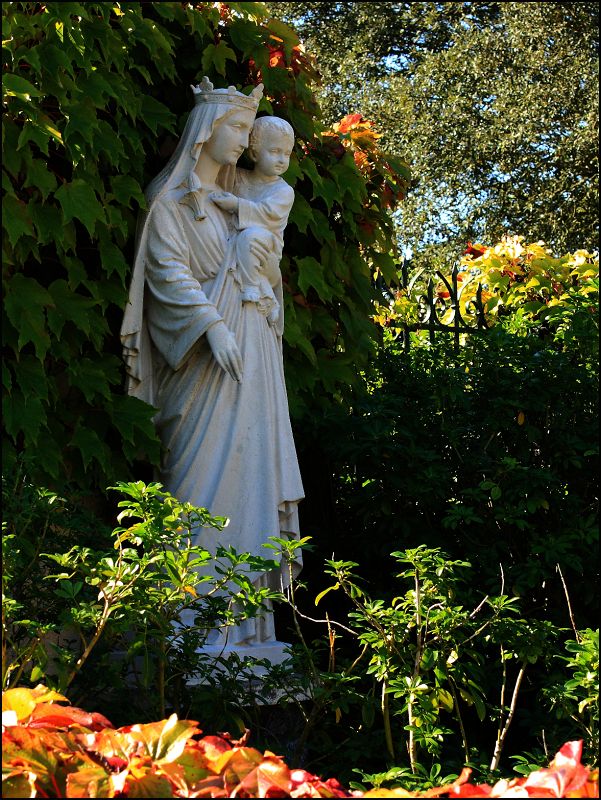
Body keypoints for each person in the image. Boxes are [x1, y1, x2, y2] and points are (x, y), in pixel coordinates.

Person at [120, 78, 304, 648]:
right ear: (206, 131)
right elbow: (166, 274)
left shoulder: (243, 202)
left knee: (251, 471)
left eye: (251, 130)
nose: (246, 139)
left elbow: (267, 266)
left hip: (252, 353)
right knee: (194, 481)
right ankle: (187, 623)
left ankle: (247, 627)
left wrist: (260, 287)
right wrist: (214, 324)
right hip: (203, 358)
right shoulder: (169, 201)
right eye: (238, 128)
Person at [208, 116, 295, 331]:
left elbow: (266, 214)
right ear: (254, 153)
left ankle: (252, 288)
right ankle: (266, 297)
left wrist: (236, 205)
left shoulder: (284, 192)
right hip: (235, 246)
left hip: (266, 251)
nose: (282, 159)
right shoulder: (238, 178)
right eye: (275, 152)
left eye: (287, 154)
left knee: (252, 236)